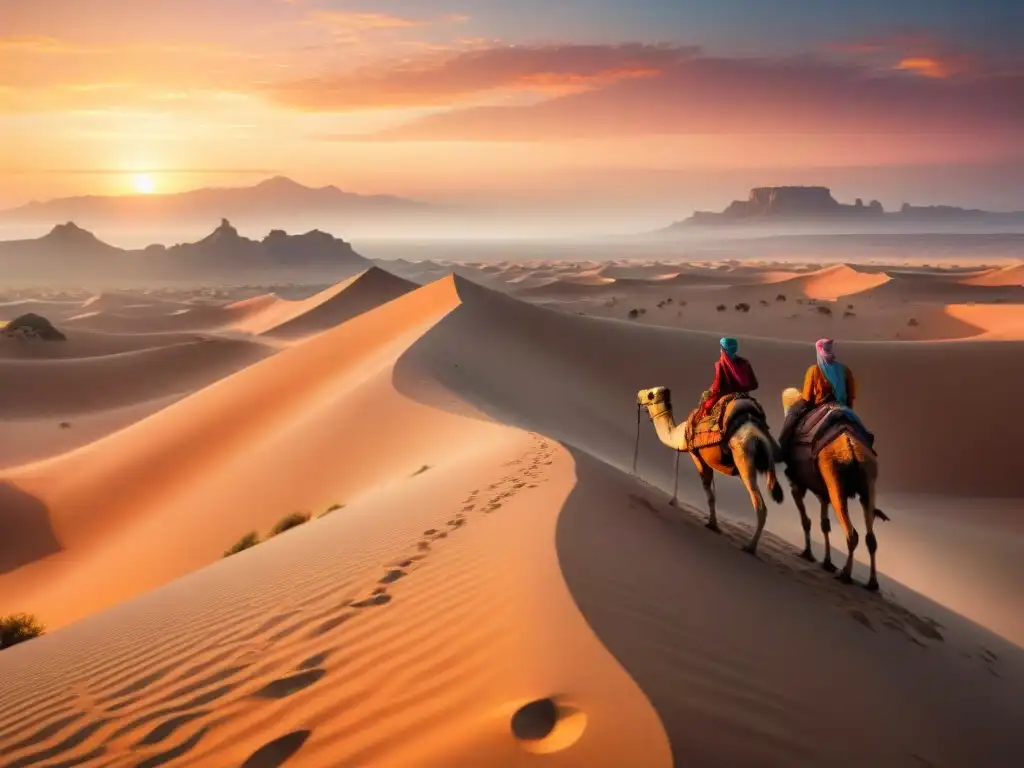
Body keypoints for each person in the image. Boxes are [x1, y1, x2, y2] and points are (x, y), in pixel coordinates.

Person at [779, 338, 873, 458]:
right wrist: (845, 409)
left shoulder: (814, 370)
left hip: (820, 405)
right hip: (843, 408)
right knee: (863, 431)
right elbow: (851, 396)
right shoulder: (845, 370)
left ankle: (783, 447)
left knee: (793, 413)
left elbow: (807, 397)